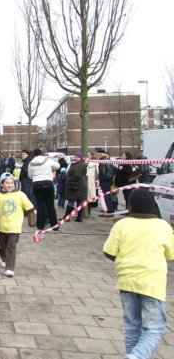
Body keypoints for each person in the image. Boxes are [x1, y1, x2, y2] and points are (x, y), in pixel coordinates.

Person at [103, 189, 174, 359]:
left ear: (129, 207)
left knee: (132, 326)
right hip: (152, 284)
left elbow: (109, 252)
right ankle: (135, 356)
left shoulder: (121, 224)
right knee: (154, 328)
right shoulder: (163, 226)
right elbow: (170, 255)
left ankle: (132, 354)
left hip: (127, 282)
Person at [0, 172, 35, 277]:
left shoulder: (20, 195)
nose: (10, 185)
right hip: (2, 227)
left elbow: (29, 208)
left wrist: (31, 221)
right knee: (2, 247)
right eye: (7, 183)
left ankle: (10, 268)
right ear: (2, 184)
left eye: (12, 183)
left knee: (11, 247)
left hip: (15, 227)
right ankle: (4, 259)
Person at [28, 148, 60, 231]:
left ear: (33, 155)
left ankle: (40, 225)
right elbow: (57, 166)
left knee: (40, 205)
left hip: (37, 184)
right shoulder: (47, 160)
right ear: (41, 153)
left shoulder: (31, 163)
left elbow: (30, 175)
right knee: (50, 205)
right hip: (48, 183)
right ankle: (54, 225)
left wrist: (36, 176)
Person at [64, 152, 88, 222]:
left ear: (81, 158)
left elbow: (77, 175)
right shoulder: (77, 164)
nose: (76, 158)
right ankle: (75, 217)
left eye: (77, 157)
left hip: (76, 186)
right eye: (75, 157)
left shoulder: (81, 165)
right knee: (77, 201)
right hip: (76, 186)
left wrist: (69, 180)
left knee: (74, 201)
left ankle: (69, 217)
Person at [96, 148, 117, 216]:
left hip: (105, 181)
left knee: (106, 196)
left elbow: (102, 172)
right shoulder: (108, 160)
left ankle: (109, 209)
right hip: (108, 180)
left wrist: (101, 180)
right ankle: (109, 208)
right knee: (107, 195)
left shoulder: (103, 161)